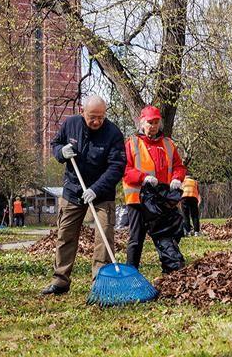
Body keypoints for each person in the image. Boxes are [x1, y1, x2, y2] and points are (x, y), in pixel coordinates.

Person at [40, 95, 126, 296]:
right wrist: (61, 152)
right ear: (82, 111)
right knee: (65, 234)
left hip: (102, 192)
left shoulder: (113, 133)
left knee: (104, 236)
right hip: (73, 188)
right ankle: (60, 281)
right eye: (92, 117)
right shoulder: (70, 124)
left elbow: (117, 167)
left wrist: (95, 189)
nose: (96, 121)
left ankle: (100, 282)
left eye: (101, 117)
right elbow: (55, 144)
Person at [123, 105, 187, 274]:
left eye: (156, 122)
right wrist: (142, 178)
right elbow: (125, 170)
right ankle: (131, 272)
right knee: (136, 238)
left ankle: (170, 269)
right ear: (142, 123)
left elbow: (179, 166)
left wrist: (176, 178)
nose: (153, 126)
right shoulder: (132, 143)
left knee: (168, 233)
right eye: (150, 122)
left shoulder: (168, 144)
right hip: (137, 198)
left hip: (161, 200)